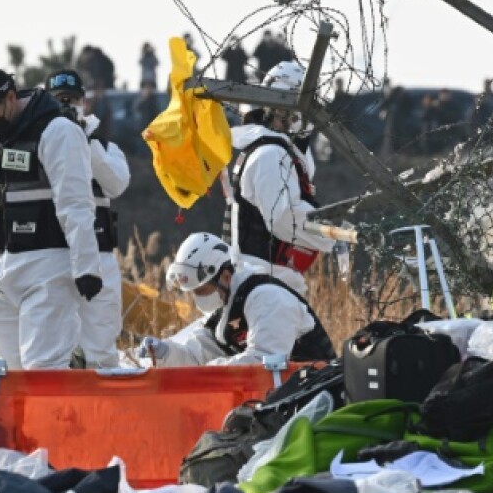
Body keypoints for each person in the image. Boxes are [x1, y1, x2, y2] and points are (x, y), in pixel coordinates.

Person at [0, 66, 102, 370]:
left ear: (11, 98)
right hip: (0, 270)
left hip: (48, 269)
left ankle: (53, 419)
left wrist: (86, 268)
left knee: (43, 371)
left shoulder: (58, 131)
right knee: (9, 374)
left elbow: (76, 206)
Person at [137, 233, 335, 366]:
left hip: (314, 397)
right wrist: (166, 353)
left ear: (225, 276)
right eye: (194, 292)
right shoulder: (224, 309)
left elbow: (265, 361)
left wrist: (213, 370)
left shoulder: (267, 298)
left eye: (203, 289)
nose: (199, 298)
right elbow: (198, 356)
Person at [226, 61, 335, 297]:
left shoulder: (275, 151)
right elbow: (283, 220)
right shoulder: (270, 155)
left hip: (270, 280)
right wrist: (333, 233)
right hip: (263, 284)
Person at [46, 68, 130, 369]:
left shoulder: (105, 146)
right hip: (55, 255)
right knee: (55, 348)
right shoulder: (40, 144)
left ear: (84, 102)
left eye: (71, 99)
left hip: (99, 253)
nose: (67, 106)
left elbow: (116, 184)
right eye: (58, 101)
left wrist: (82, 140)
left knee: (101, 346)